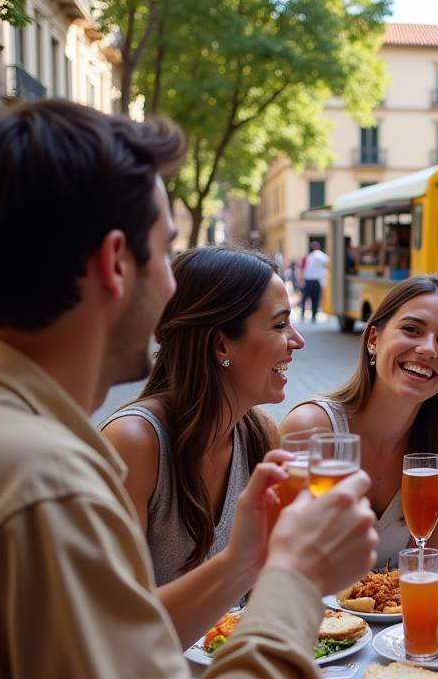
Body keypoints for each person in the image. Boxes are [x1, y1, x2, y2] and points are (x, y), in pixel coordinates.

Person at [0, 99, 379, 679]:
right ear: (113, 263)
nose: (173, 286)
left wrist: (246, 560)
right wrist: (292, 579)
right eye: (168, 251)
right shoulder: (49, 479)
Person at [101, 246, 305, 647]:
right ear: (221, 345)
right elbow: (118, 628)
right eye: (280, 326)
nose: (296, 341)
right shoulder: (133, 443)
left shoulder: (261, 434)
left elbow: (265, 593)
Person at [279, 273, 438, 570]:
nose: (428, 349)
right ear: (373, 339)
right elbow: (279, 568)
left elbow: (430, 576)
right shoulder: (311, 430)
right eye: (412, 329)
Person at [299, 239, 328, 322]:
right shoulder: (320, 255)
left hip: (308, 280)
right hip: (316, 281)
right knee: (315, 299)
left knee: (305, 298)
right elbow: (328, 262)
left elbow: (302, 268)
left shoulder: (308, 256)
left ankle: (302, 315)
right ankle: (313, 316)